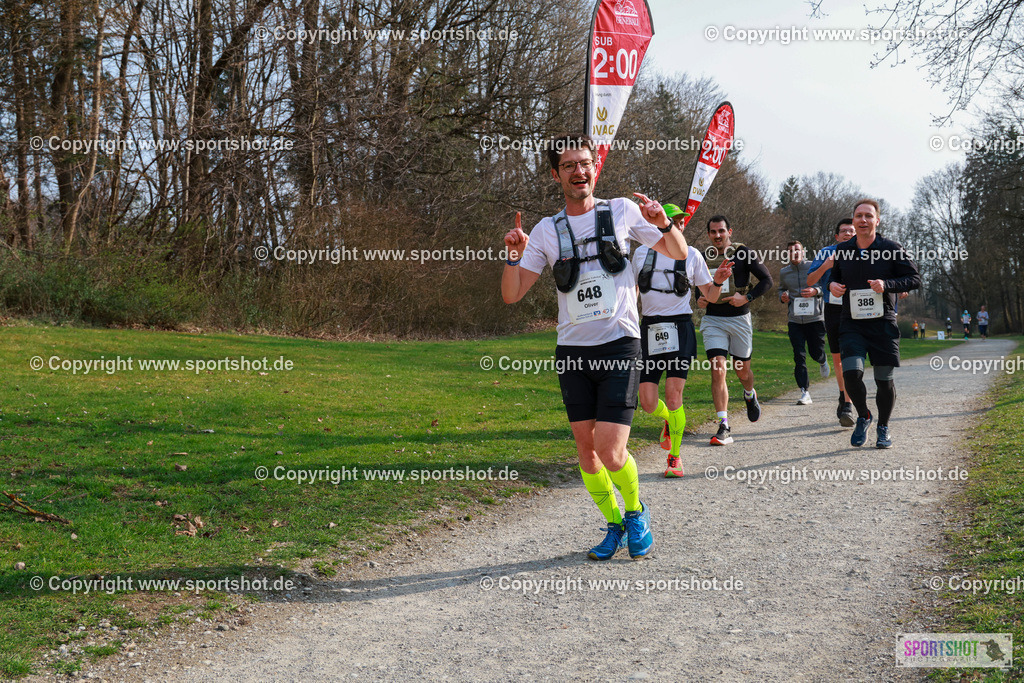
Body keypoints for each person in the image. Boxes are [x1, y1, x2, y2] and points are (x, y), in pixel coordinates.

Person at [502, 134, 689, 560]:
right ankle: (614, 524)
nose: (578, 171)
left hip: (620, 344)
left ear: (594, 168)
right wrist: (513, 256)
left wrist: (662, 222)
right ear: (556, 175)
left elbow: (676, 251)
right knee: (587, 455)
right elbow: (512, 295)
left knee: (610, 449)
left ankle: (636, 511)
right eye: (568, 165)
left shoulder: (622, 210)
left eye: (584, 163)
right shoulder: (546, 230)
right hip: (572, 351)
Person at [633, 204, 732, 477]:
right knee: (648, 402)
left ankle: (674, 457)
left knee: (674, 394)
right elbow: (631, 295)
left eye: (681, 221)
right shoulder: (641, 253)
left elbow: (709, 297)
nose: (678, 225)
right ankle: (669, 420)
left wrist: (719, 281)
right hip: (649, 328)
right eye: (672, 220)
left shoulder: (692, 255)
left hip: (680, 327)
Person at [828, 199, 920, 449]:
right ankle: (864, 415)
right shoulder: (844, 250)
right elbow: (835, 277)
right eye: (858, 215)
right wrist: (832, 285)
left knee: (884, 380)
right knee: (851, 373)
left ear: (877, 221)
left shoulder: (891, 248)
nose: (863, 220)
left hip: (882, 325)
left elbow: (914, 279)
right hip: (852, 323)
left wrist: (887, 285)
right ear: (853, 220)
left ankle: (883, 426)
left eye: (868, 216)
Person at [697, 215, 774, 445]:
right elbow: (698, 289)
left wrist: (746, 297)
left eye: (721, 231)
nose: (718, 236)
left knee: (741, 371)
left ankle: (750, 393)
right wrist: (700, 300)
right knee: (718, 368)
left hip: (739, 318)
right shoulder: (704, 257)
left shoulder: (744, 253)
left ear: (730, 231)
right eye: (713, 232)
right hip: (713, 320)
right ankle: (723, 425)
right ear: (709, 234)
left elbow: (767, 280)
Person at [806, 218, 857, 426]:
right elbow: (810, 281)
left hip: (859, 309)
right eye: (843, 231)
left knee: (853, 355)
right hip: (834, 309)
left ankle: (848, 403)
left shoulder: (868, 251)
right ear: (837, 236)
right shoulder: (827, 252)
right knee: (837, 358)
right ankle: (843, 393)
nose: (848, 234)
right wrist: (826, 265)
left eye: (851, 231)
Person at [778, 240, 828, 406]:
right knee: (799, 356)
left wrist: (815, 291)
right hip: (795, 320)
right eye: (791, 251)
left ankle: (822, 360)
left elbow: (824, 286)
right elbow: (781, 289)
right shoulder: (784, 272)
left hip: (815, 319)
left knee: (815, 352)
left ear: (803, 251)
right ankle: (804, 391)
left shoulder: (813, 267)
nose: (795, 253)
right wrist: (782, 296)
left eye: (797, 250)